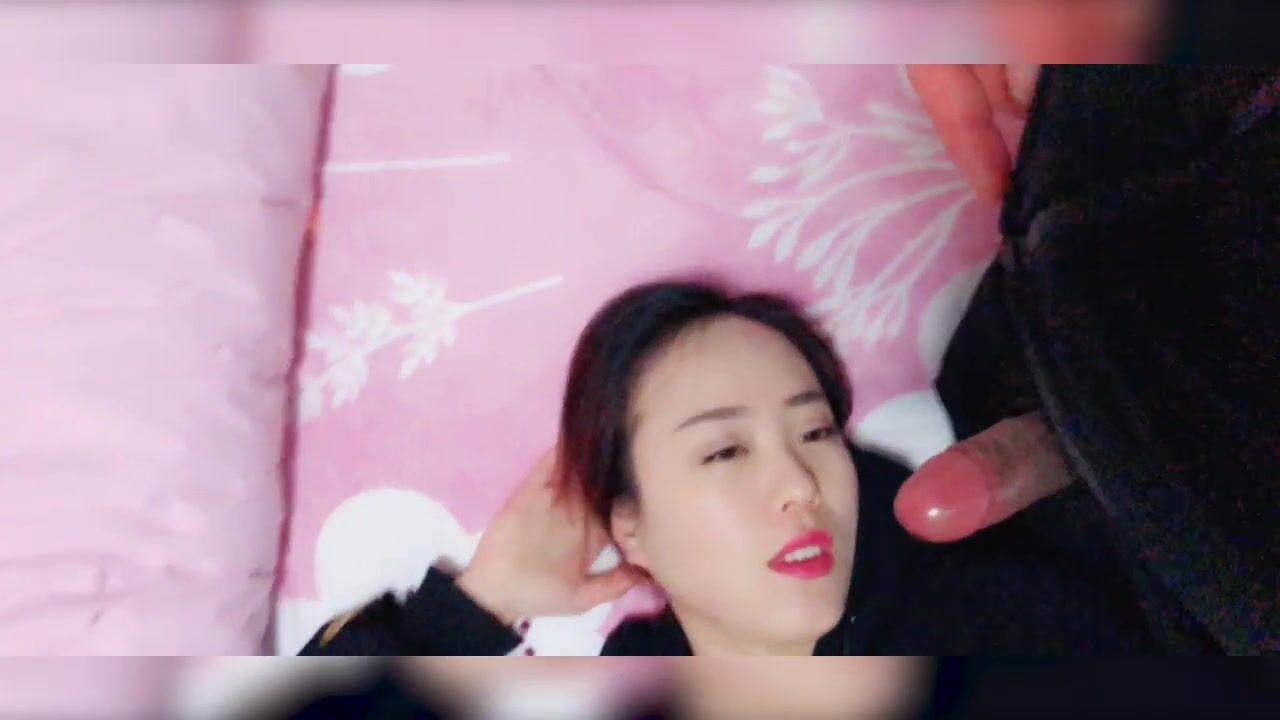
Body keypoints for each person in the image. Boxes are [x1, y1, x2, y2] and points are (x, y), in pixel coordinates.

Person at [302, 279, 1168, 655]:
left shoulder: (1015, 620)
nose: (799, 485)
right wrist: (476, 608)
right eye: (723, 450)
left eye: (816, 432)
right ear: (627, 522)